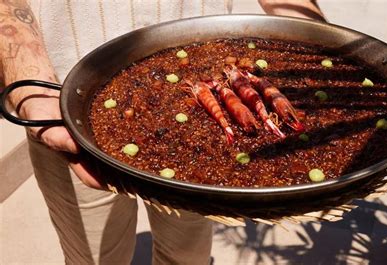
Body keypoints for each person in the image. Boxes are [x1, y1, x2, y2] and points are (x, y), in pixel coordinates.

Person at [1, 0, 325, 264]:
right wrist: (33, 90)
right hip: (66, 99)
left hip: (203, 53)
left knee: (188, 257)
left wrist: (318, 44)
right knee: (93, 259)